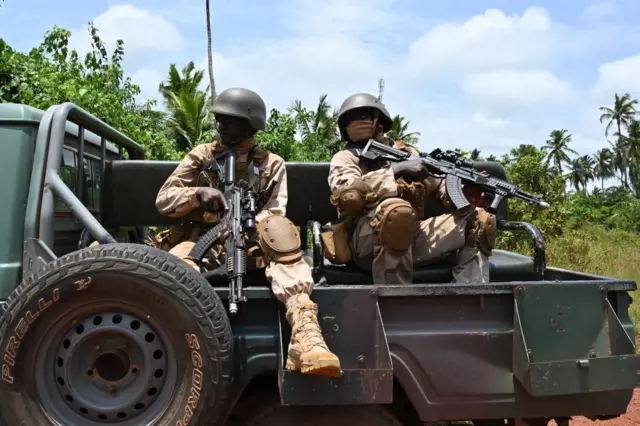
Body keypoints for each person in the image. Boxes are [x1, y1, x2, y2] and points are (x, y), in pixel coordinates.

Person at [154, 87, 341, 377]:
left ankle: (306, 336)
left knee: (282, 238)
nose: (221, 126)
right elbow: (164, 200)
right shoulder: (201, 155)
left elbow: (276, 210)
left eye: (229, 120)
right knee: (175, 269)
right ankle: (171, 342)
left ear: (249, 124)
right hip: (202, 240)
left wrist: (245, 226)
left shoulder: (271, 163)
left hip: (252, 240)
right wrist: (198, 193)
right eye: (219, 120)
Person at [325, 92, 496, 285]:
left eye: (363, 116)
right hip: (366, 244)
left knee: (479, 221)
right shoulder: (345, 158)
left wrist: (465, 192)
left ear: (379, 120)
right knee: (396, 213)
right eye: (350, 119)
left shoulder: (406, 154)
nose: (356, 122)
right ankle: (395, 303)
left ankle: (471, 297)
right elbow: (348, 196)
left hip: (414, 238)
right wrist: (396, 170)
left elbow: (439, 186)